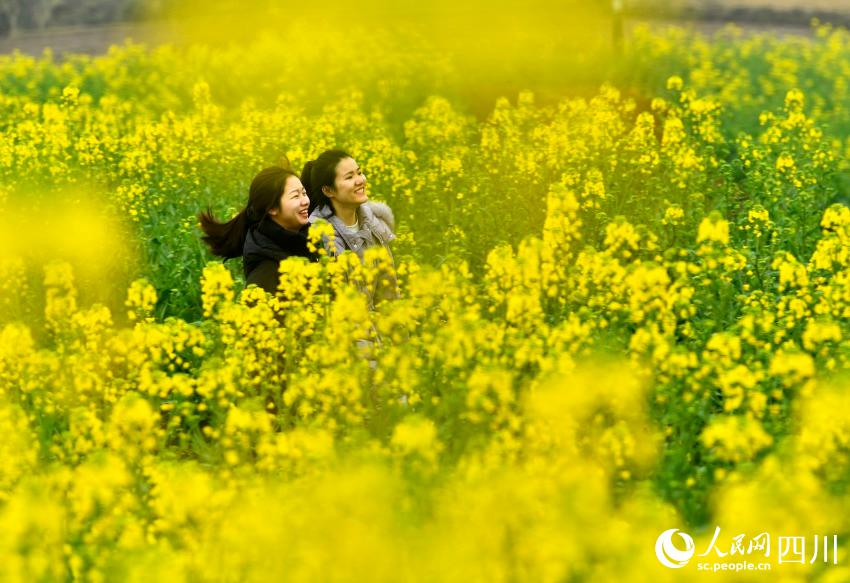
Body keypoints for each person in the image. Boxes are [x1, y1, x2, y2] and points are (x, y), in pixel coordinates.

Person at [198, 166, 317, 294]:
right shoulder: (266, 272)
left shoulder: (308, 240)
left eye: (304, 193)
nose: (305, 201)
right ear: (272, 208)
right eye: (295, 196)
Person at [301, 149, 395, 258]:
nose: (360, 180)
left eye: (359, 173)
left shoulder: (374, 221)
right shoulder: (318, 236)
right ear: (328, 190)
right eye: (349, 177)